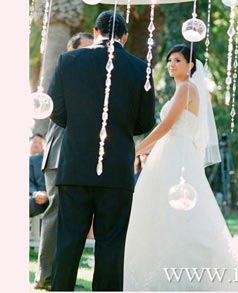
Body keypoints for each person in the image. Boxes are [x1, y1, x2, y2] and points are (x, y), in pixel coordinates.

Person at [123, 44, 238, 291]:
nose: (171, 64)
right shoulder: (182, 89)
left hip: (176, 155)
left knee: (177, 211)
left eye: (177, 60)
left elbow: (166, 125)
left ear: (191, 65)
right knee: (162, 211)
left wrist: (135, 149)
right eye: (169, 60)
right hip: (172, 152)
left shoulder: (187, 88)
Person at [48, 11, 156, 291]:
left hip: (74, 167)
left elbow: (56, 112)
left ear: (95, 31)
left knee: (68, 243)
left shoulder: (68, 60)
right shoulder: (140, 68)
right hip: (117, 171)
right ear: (125, 36)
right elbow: (145, 123)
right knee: (111, 246)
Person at [33, 32, 94, 291]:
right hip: (60, 155)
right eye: (87, 49)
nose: (92, 54)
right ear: (72, 52)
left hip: (82, 158)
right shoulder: (65, 76)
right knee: (55, 215)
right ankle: (46, 278)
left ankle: (62, 277)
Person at [29, 151, 48, 218]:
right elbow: (29, 181)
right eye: (35, 142)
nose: (37, 144)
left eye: (40, 143)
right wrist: (35, 193)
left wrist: (48, 195)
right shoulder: (33, 159)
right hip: (39, 197)